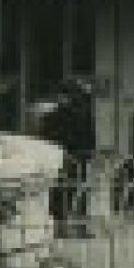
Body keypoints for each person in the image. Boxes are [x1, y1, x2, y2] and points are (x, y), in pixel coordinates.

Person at [41, 79, 96, 236]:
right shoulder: (84, 114)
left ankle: (61, 227)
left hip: (61, 157)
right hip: (79, 157)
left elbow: (46, 138)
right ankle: (80, 227)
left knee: (60, 192)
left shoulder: (51, 117)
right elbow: (91, 138)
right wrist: (88, 154)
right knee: (79, 191)